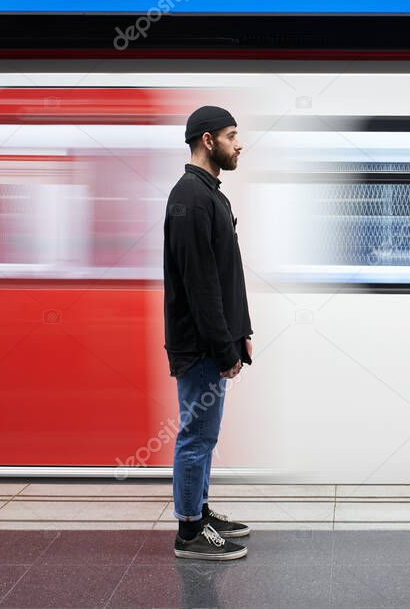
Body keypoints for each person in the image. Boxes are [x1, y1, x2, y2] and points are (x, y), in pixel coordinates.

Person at [163, 105, 253, 560]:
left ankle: (198, 508)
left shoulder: (209, 193)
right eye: (232, 135)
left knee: (204, 435)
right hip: (199, 345)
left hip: (213, 340)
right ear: (207, 140)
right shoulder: (191, 198)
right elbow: (200, 285)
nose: (239, 144)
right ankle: (189, 530)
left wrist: (241, 332)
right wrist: (222, 346)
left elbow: (225, 272)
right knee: (197, 435)